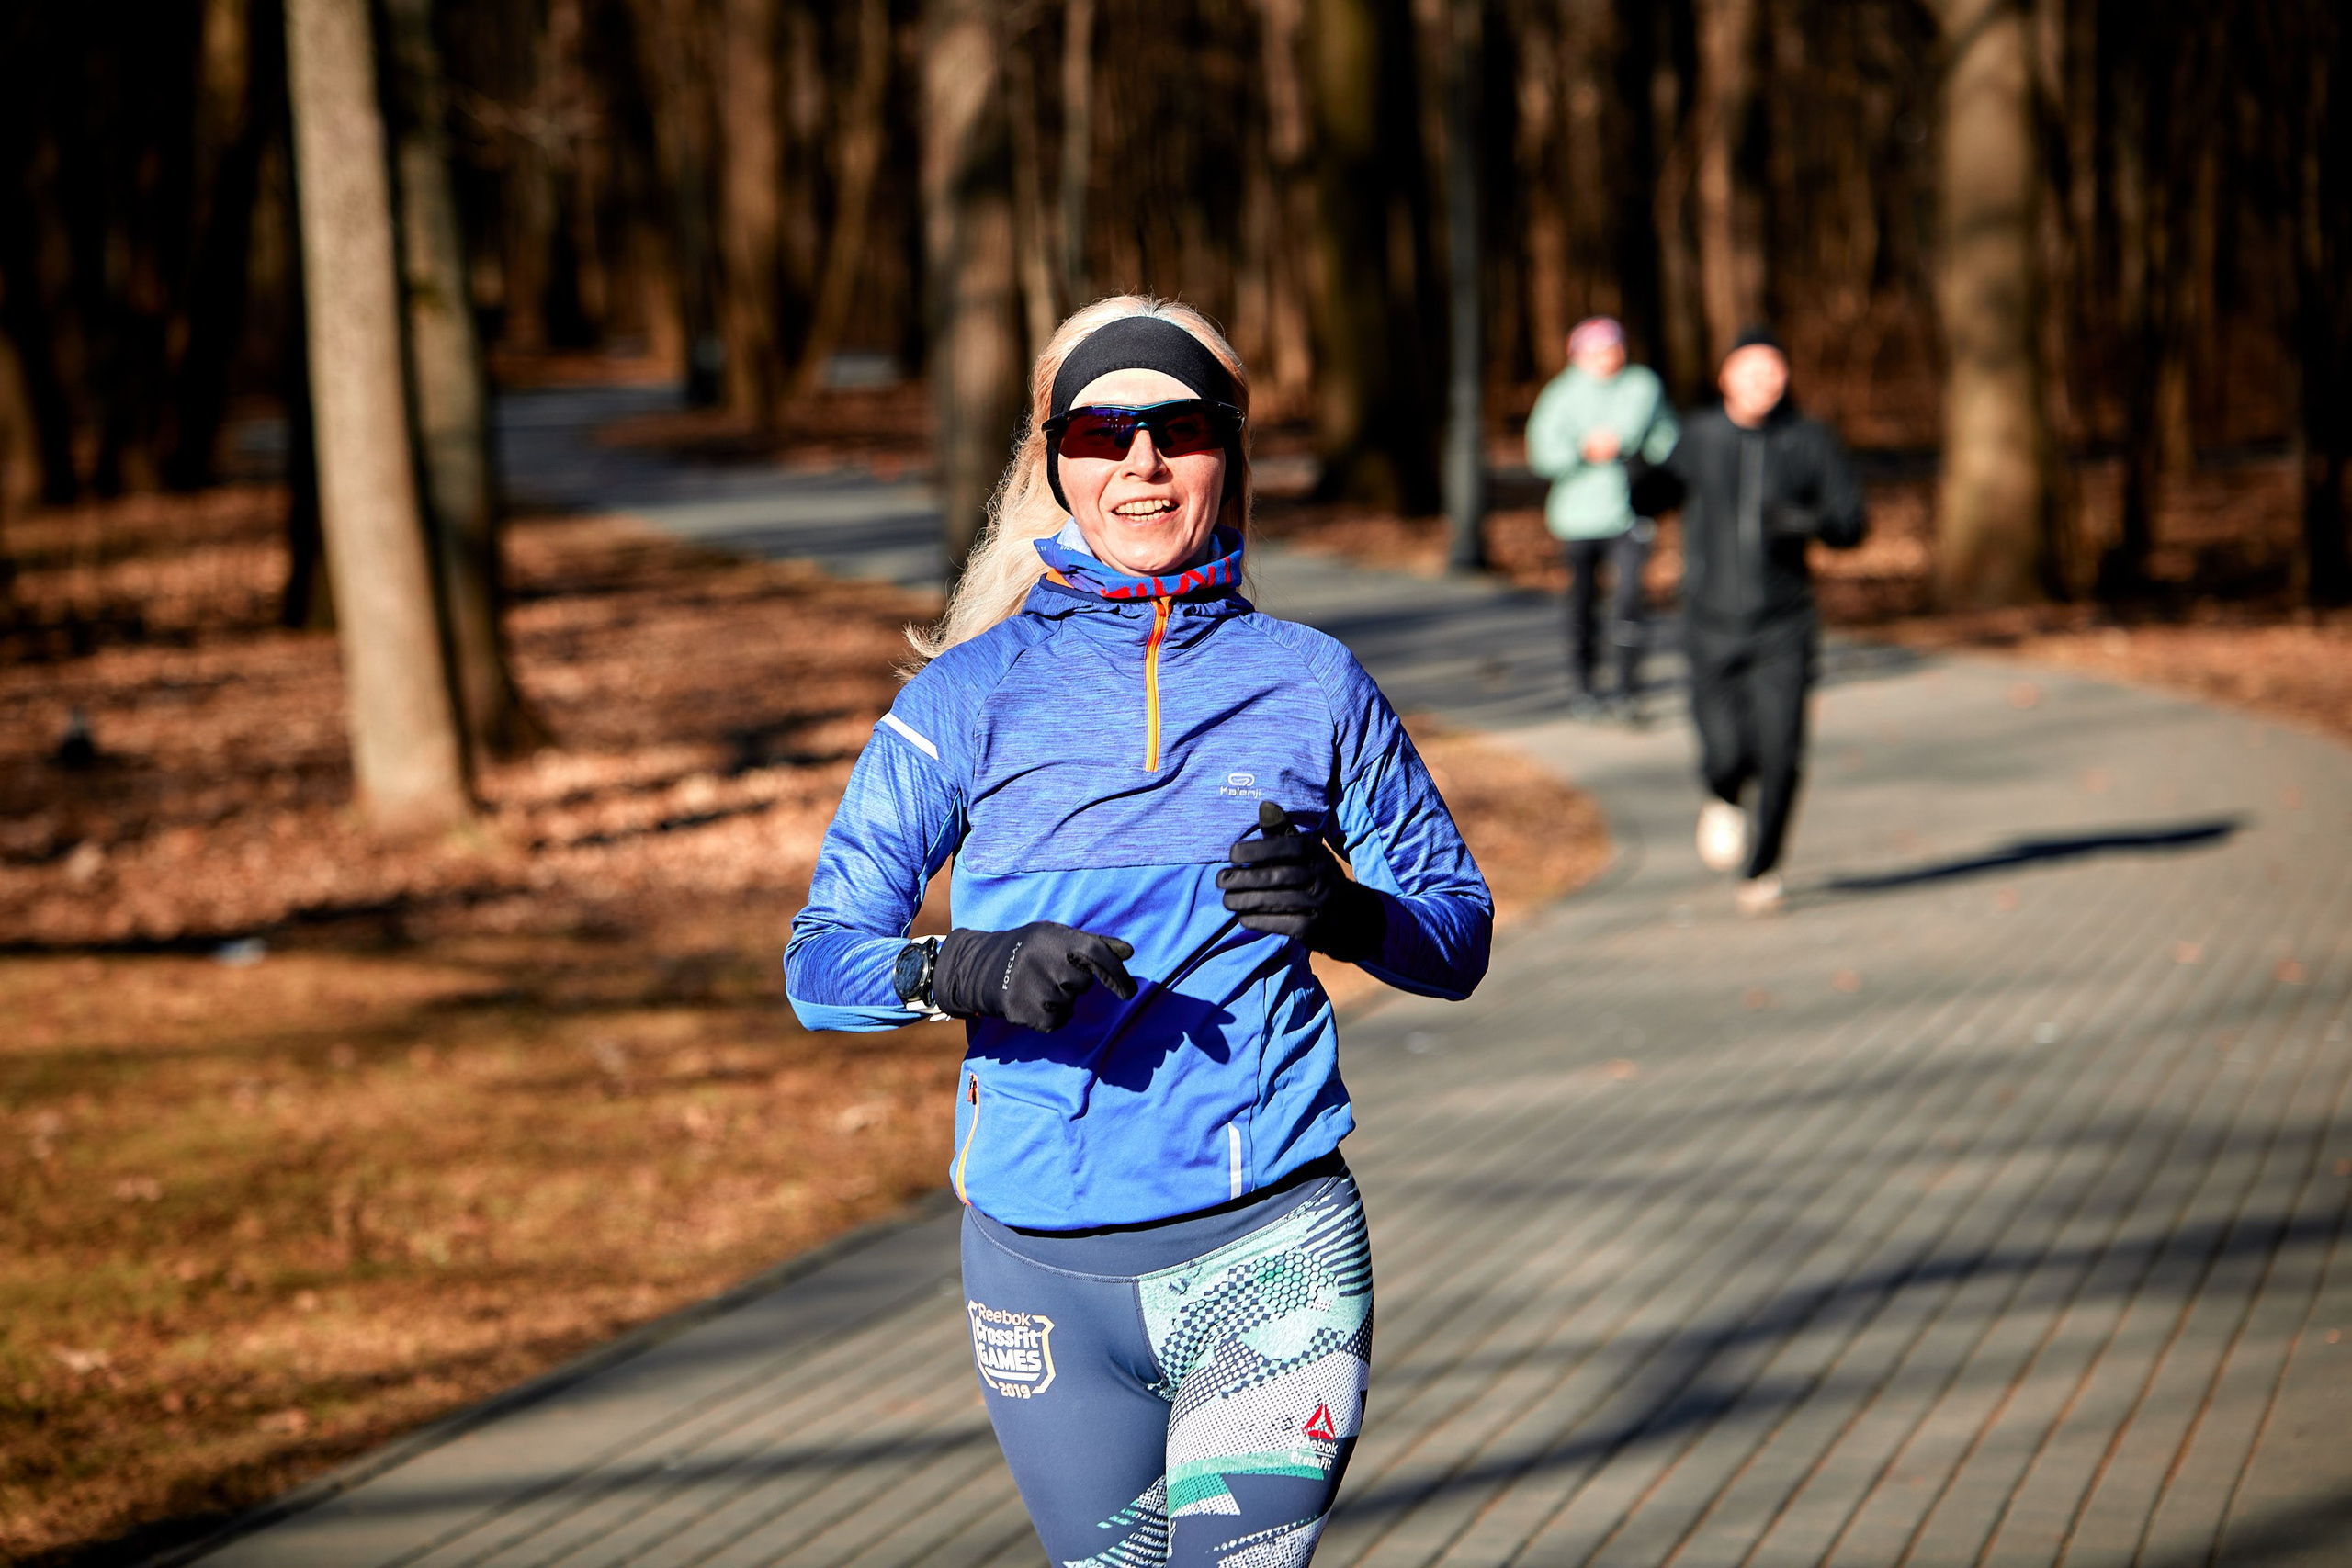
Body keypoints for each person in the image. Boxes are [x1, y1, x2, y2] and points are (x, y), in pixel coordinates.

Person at [785, 297, 1493, 1566]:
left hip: (1269, 1251)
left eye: (1180, 427)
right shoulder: (967, 695)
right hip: (1036, 1275)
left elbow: (1458, 932)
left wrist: (1346, 909)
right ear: (1057, 459)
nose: (1143, 464)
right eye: (1104, 430)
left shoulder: (1311, 680)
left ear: (1231, 450)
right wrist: (964, 968)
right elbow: (819, 960)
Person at [1640, 324, 1864, 916]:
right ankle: (1723, 796)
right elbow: (1651, 496)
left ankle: (1762, 869)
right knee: (1723, 752)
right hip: (1709, 620)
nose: (1764, 381)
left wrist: (1805, 520)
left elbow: (1850, 523)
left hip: (1785, 625)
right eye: (1750, 369)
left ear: (1786, 377)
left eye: (1774, 369)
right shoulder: (1700, 435)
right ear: (1726, 378)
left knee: (1781, 753)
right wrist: (1639, 471)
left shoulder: (1810, 440)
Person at [1524, 315, 1679, 720]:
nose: (1608, 357)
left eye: (1614, 348)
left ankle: (1629, 691)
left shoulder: (1643, 386)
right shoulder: (1559, 395)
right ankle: (1585, 688)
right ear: (1577, 355)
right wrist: (1582, 449)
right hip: (1576, 520)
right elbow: (1541, 453)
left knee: (1629, 599)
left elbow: (1668, 437)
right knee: (1583, 604)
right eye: (1597, 350)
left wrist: (1651, 461)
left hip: (1631, 514)